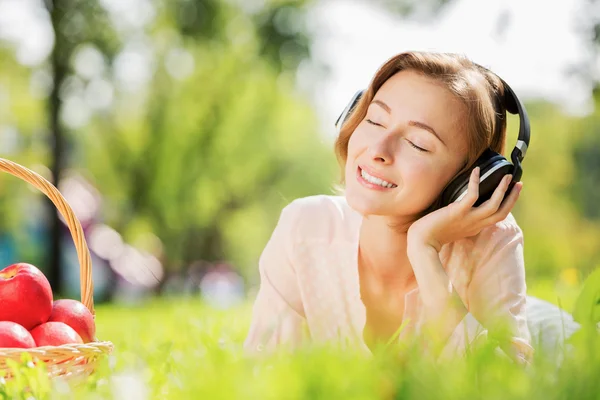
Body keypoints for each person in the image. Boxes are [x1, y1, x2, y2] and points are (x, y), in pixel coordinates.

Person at [244, 51, 534, 363]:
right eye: (375, 120)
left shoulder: (491, 242)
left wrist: (425, 251)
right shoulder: (305, 229)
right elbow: (262, 373)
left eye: (418, 143)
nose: (378, 150)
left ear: (469, 180)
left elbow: (509, 385)